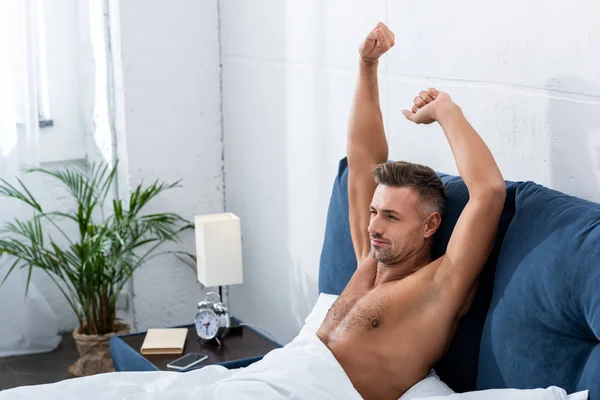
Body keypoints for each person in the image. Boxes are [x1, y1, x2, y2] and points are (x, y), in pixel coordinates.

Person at [316, 22, 507, 400]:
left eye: (391, 216)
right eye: (375, 211)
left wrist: (445, 111)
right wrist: (367, 64)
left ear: (430, 225)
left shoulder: (438, 287)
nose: (373, 226)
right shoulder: (368, 262)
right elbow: (363, 158)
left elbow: (488, 191)